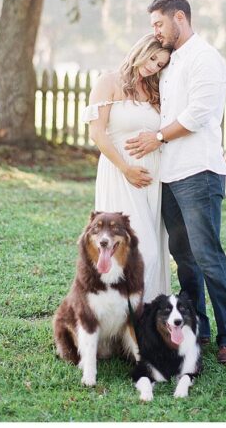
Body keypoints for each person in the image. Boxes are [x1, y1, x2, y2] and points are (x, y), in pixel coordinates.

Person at [125, 0, 226, 364]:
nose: (156, 32)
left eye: (159, 23)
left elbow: (199, 114)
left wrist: (157, 137)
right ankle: (199, 328)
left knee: (208, 255)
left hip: (199, 173)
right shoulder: (170, 61)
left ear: (180, 17)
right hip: (170, 175)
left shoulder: (205, 58)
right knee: (184, 258)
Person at [81, 33, 172, 300]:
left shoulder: (155, 89)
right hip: (120, 174)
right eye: (152, 58)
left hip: (152, 179)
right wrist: (126, 169)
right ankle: (124, 311)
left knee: (155, 250)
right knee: (140, 250)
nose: (153, 67)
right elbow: (97, 133)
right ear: (140, 50)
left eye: (160, 64)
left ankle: (147, 313)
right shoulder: (109, 81)